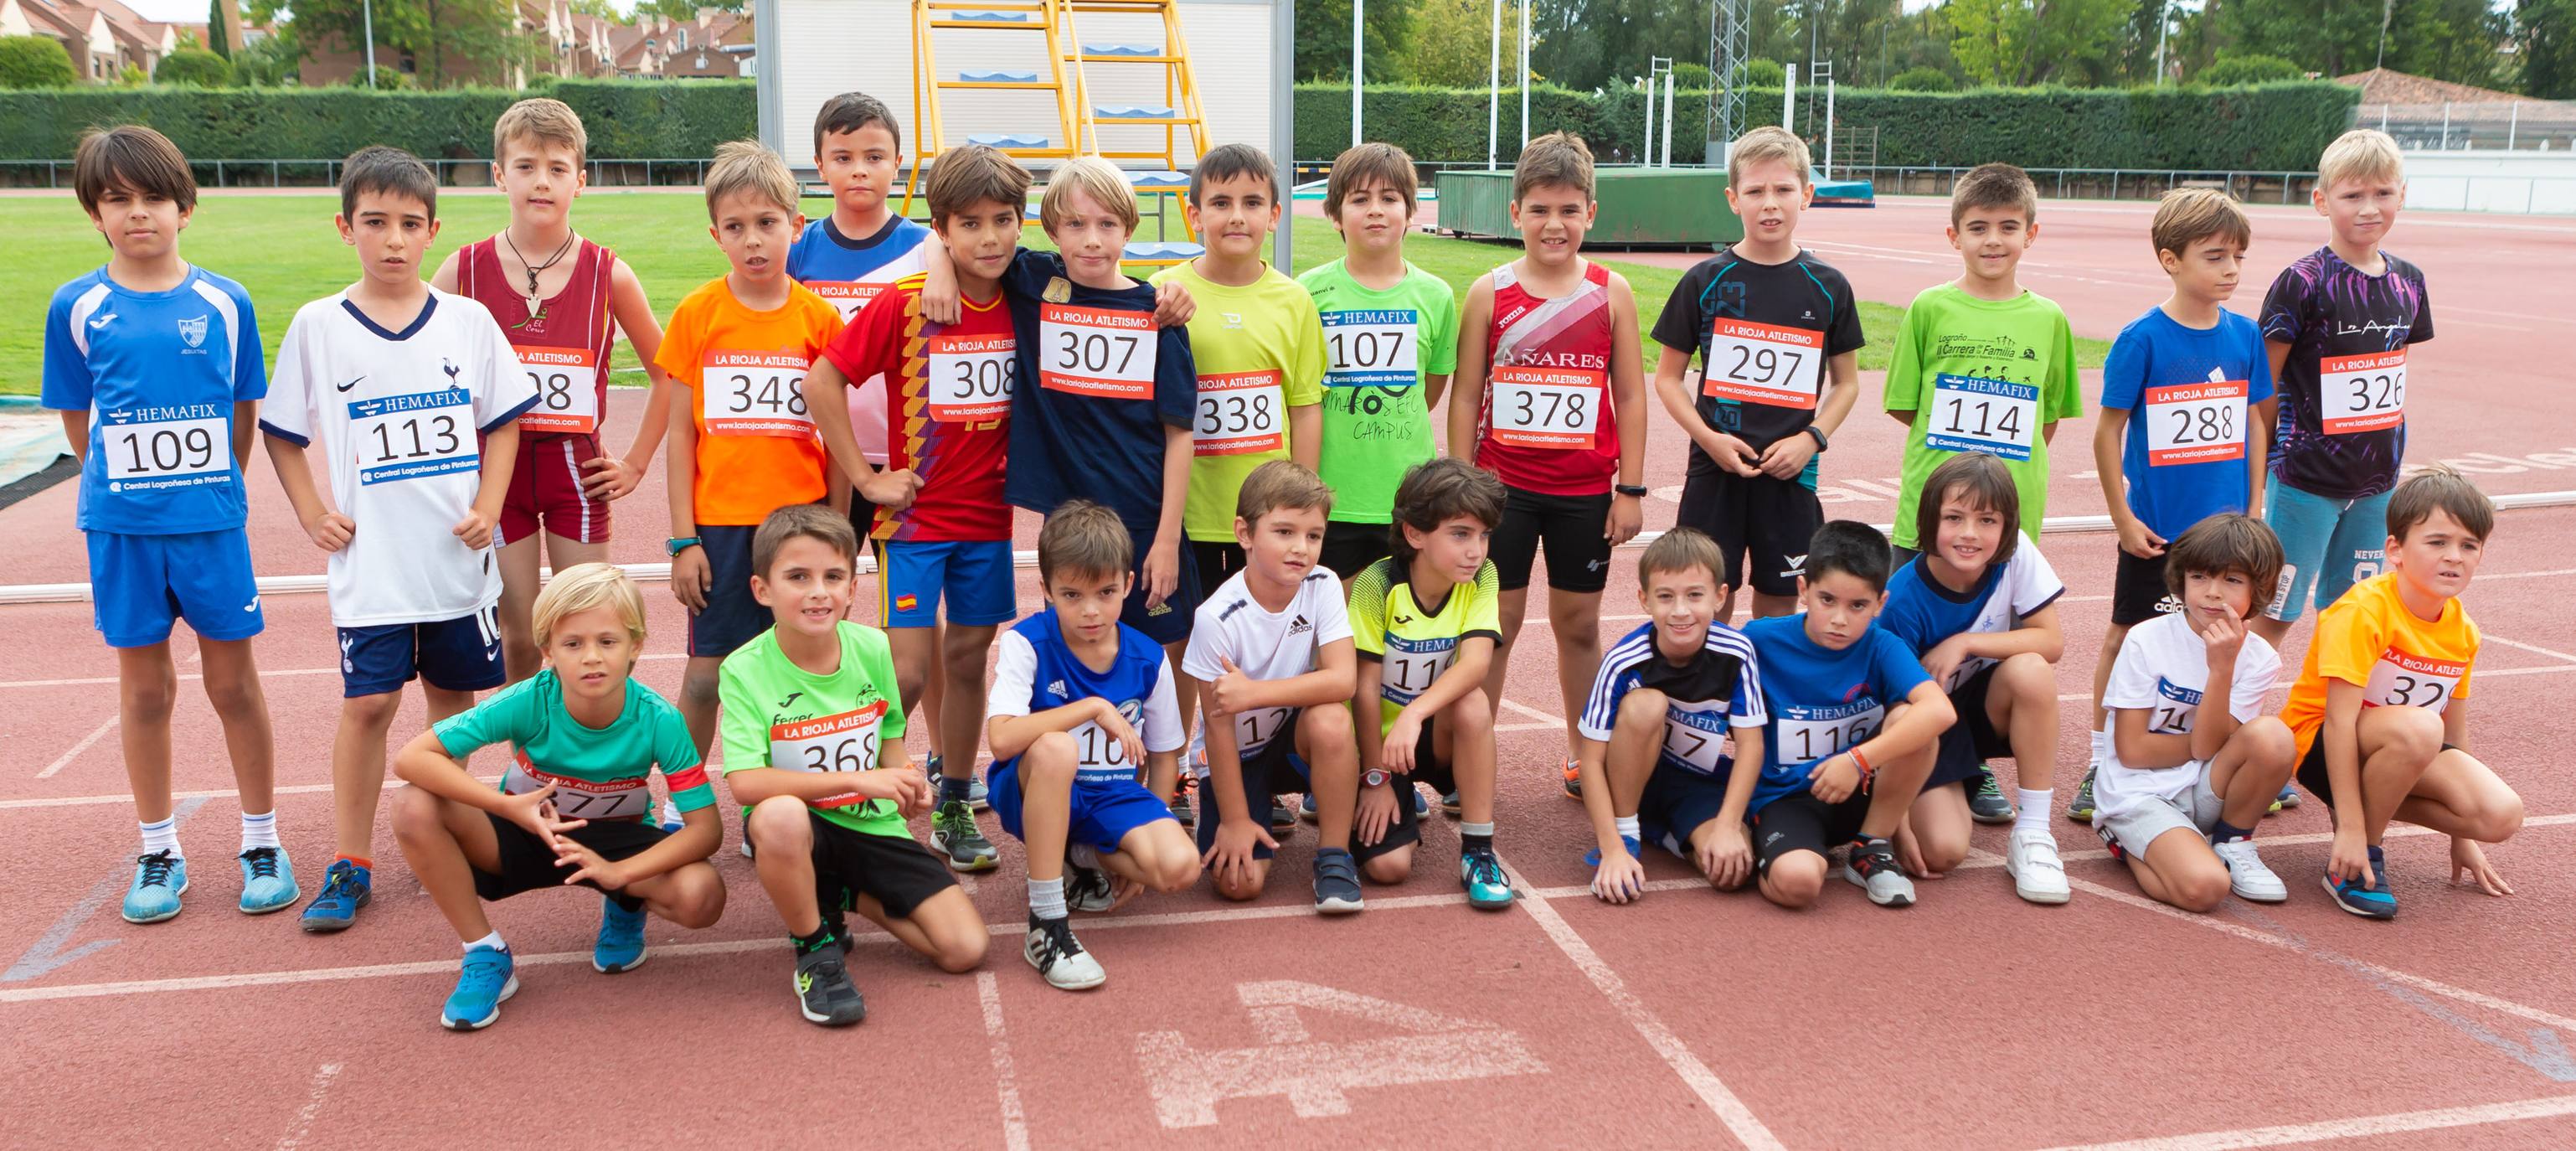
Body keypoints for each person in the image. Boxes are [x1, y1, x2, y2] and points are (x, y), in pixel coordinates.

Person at [260, 145, 537, 932]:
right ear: (345, 227)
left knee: (452, 709)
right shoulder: (319, 325)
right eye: (375, 223)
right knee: (371, 703)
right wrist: (313, 509)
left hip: (455, 562)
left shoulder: (468, 320)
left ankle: (444, 832)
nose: (392, 239)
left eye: (409, 225)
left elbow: (504, 420)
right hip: (372, 564)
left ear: (432, 231)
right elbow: (282, 432)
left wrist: (489, 500)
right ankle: (351, 861)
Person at [44, 125, 293, 923]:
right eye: (117, 200)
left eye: (152, 197)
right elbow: (80, 426)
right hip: (121, 529)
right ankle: (158, 850)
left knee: (232, 684)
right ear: (95, 214)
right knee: (145, 691)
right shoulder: (77, 307)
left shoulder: (225, 301)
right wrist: (129, 485)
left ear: (185, 208)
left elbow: (243, 411)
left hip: (210, 524)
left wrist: (211, 485)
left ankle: (262, 839)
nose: (137, 214)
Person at [806, 143, 1031, 874]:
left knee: (968, 659)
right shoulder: (906, 303)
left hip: (988, 521)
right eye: (970, 225)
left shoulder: (1029, 293)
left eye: (1004, 220)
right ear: (942, 228)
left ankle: (957, 800)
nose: (990, 238)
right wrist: (866, 484)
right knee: (904, 673)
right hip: (915, 521)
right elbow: (821, 383)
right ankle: (853, 797)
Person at [389, 564, 725, 1030]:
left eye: (607, 642)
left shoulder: (659, 719)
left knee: (702, 895)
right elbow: (411, 759)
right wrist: (507, 807)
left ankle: (625, 902)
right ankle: (485, 953)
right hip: (525, 832)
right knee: (412, 804)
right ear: (548, 650)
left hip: (615, 841)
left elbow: (707, 830)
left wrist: (620, 872)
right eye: (573, 644)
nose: (592, 658)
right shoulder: (528, 699)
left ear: (636, 646)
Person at [431, 97, 674, 686]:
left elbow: (670, 371)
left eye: (558, 168)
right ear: (499, 175)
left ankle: (591, 765)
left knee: (586, 627)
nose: (542, 181)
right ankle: (527, 763)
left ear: (580, 182)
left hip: (576, 474)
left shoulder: (607, 272)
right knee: (518, 633)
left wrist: (637, 462)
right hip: (498, 477)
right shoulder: (461, 272)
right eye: (525, 166)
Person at [920, 156, 1200, 663]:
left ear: (1129, 229)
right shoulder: (1030, 281)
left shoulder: (1158, 315)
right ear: (1051, 230)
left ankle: (1172, 746)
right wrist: (938, 269)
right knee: (1075, 643)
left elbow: (1181, 433)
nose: (1092, 239)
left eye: (1106, 224)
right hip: (1065, 515)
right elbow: (938, 233)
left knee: (1166, 646)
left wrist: (1166, 538)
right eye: (1075, 224)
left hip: (1143, 511)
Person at [719, 505, 989, 1025]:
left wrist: (906, 778)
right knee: (776, 818)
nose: (818, 591)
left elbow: (888, 737)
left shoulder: (872, 648)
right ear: (762, 589)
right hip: (801, 824)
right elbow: (746, 784)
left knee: (964, 949)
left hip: (869, 824)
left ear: (851, 588)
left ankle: (841, 892)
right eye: (798, 577)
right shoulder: (744, 670)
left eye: (833, 577)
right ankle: (815, 947)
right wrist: (857, 778)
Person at [1881, 161, 2083, 825]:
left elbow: (2048, 417)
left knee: (2002, 647)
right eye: (1977, 228)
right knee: (1909, 647)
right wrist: (1961, 474)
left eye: (2006, 227)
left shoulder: (2049, 318)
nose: (1992, 240)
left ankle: (1973, 767)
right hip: (1930, 515)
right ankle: (1918, 756)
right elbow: (1908, 407)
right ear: (1953, 235)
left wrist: (1996, 485)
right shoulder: (1930, 308)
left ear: (2032, 233)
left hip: (2006, 519)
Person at [1448, 132, 1647, 803]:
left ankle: (1581, 756)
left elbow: (1632, 395)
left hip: (1585, 493)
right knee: (1493, 627)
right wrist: (1461, 488)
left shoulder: (1611, 291)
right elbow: (1467, 393)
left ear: (1591, 213)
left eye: (1568, 210)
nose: (1553, 224)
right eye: (1539, 210)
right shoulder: (1490, 291)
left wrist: (1632, 488)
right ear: (1515, 214)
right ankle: (1468, 760)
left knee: (1580, 626)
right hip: (1502, 492)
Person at [2072, 187, 2275, 823]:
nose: (2231, 271)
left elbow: (2253, 421)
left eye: (2237, 257)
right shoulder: (2144, 339)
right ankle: (2102, 757)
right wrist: (2123, 517)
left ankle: (2228, 755)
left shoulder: (2244, 336)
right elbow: (2108, 431)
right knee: (2127, 634)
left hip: (2228, 530)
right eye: (2215, 257)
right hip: (2160, 531)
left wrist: (2255, 502)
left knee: (2228, 639)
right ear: (2170, 260)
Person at [786, 93, 961, 792]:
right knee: (819, 611)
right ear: (821, 164)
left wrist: (942, 258)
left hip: (906, 464)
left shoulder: (925, 246)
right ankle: (807, 762)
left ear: (899, 164)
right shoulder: (800, 250)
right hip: (825, 462)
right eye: (843, 157)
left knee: (921, 631)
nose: (860, 171)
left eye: (875, 157)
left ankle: (951, 764)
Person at [655, 140, 848, 760]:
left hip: (800, 523)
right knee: (708, 674)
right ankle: (685, 803)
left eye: (767, 224)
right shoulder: (698, 314)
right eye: (736, 228)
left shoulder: (819, 321)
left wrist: (840, 528)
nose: (754, 241)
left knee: (798, 671)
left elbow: (840, 438)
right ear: (717, 236)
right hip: (720, 527)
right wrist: (684, 540)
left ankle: (778, 797)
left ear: (796, 226)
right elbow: (680, 434)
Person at [2280, 467, 2522, 918]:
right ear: (2395, 549)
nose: (2454, 557)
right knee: (2418, 727)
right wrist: (2350, 827)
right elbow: (2338, 722)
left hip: (2403, 745)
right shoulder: (2362, 612)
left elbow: (2456, 736)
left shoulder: (2463, 631)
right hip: (2320, 743)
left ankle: (2365, 820)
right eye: (2438, 542)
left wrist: (2462, 839)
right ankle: (2358, 854)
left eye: (2469, 546)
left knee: (2501, 815)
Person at [1650, 126, 1862, 626]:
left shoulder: (1829, 286)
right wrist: (1709, 439)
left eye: (1784, 190)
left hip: (1790, 473)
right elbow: (1667, 378)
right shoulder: (1705, 280)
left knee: (1779, 600)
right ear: (1733, 199)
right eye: (1756, 191)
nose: (1771, 204)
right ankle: (1708, 698)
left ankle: (1761, 700)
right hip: (1714, 469)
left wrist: (1811, 440)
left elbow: (1847, 383)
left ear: (1807, 195)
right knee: (1705, 595)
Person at [985, 501, 1203, 989]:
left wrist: (1158, 815)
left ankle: (1082, 855)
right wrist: (1092, 708)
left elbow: (1166, 752)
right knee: (1056, 749)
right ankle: (1046, 923)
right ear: (1045, 591)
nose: (1090, 610)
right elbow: (1001, 740)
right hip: (1034, 788)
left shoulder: (1147, 657)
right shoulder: (1027, 643)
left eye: (1105, 593)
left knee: (1179, 868)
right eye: (1071, 594)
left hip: (1111, 795)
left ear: (1127, 584)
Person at [2252, 129, 2432, 655]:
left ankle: (2328, 728)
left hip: (2376, 482)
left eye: (2382, 194)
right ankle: (2230, 726)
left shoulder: (2409, 282)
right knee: (2274, 613)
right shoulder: (2302, 282)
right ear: (2322, 201)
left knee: (2351, 614)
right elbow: (2264, 385)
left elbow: (2394, 373)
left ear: (2403, 194)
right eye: (2352, 196)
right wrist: (2258, 477)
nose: (2369, 209)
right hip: (2304, 479)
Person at [1877, 453, 2071, 905]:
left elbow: (2052, 642)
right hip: (1926, 725)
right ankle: (1948, 786)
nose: (1969, 533)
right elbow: (1892, 715)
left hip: (1985, 705)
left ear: (2006, 527)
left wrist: (1966, 642)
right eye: (1954, 517)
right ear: (1929, 520)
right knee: (1941, 852)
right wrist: (1894, 822)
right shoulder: (1903, 597)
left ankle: (2034, 833)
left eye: (1987, 520)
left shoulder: (2017, 553)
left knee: (2031, 669)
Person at [1180, 462, 1364, 911]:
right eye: (1284, 532)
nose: (1301, 548)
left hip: (1287, 742)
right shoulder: (1215, 618)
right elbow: (1220, 727)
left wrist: (1255, 694)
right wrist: (1237, 820)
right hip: (1234, 756)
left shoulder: (1321, 586)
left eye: (1313, 535)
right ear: (1244, 533)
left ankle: (1335, 857)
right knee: (1238, 886)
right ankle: (1251, 808)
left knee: (1333, 719)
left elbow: (1343, 680)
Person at [1741, 521, 1951, 910]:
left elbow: (1940, 710)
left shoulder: (1882, 646)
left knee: (1913, 718)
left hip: (1865, 794)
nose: (1840, 619)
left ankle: (1870, 848)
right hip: (1789, 798)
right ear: (1803, 590)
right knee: (1798, 884)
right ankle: (1768, 847)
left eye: (1857, 606)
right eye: (1827, 600)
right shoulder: (1758, 641)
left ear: (1880, 604)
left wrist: (1856, 762)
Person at [2091, 515, 2297, 911]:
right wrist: (2208, 742)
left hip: (2203, 786)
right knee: (2205, 889)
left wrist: (2222, 668)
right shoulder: (2146, 640)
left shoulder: (2260, 659)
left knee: (2273, 736)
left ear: (2260, 590)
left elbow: (2210, 748)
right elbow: (2134, 751)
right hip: (2138, 792)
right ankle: (2127, 842)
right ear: (2182, 578)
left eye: (2232, 581)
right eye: (2200, 576)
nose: (2212, 593)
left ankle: (2233, 841)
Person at [1149, 143, 1326, 584]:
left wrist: (1301, 505)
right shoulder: (1161, 291)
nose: (1237, 217)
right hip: (1188, 511)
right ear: (1194, 216)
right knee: (1188, 637)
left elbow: (1304, 407)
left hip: (1267, 512)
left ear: (1274, 215)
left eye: (1252, 203)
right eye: (1221, 203)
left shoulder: (1294, 301)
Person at [1347, 457, 1515, 908]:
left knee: (1473, 703)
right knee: (1389, 870)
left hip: (1431, 734)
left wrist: (1417, 712)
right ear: (1415, 534)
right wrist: (1375, 778)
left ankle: (1478, 850)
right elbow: (1363, 689)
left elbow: (1476, 664)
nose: (1475, 550)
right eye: (1460, 534)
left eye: (1483, 535)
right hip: (1382, 743)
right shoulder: (1375, 585)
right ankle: (1384, 798)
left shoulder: (1482, 576)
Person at [1574, 529, 1769, 904]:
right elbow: (1591, 762)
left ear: (1720, 597)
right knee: (1646, 704)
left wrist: (1729, 826)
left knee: (1731, 872)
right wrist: (1612, 847)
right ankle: (1629, 831)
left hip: (1695, 783)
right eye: (1666, 597)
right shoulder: (1622, 661)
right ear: (1645, 601)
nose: (1680, 611)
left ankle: (1662, 832)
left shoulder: (1737, 652)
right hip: (1627, 782)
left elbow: (1750, 746)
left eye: (1695, 595)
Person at [1297, 142, 1459, 582]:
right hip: (1333, 496)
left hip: (1408, 496)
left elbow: (1431, 389)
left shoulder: (1436, 296)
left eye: (1389, 199)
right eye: (1359, 199)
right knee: (1336, 634)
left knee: (1403, 625)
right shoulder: (1306, 292)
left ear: (1411, 212)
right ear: (1334, 214)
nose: (1375, 211)